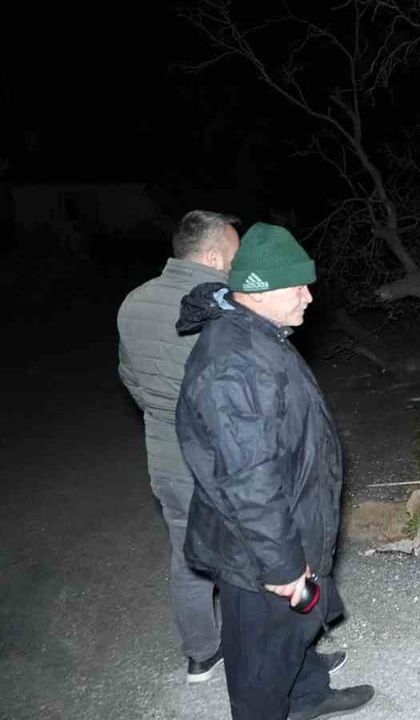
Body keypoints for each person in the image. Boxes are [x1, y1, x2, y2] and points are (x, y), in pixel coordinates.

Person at [175, 223, 373, 719]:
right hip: (256, 548)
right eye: (297, 287)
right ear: (258, 290)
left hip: (287, 527)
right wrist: (283, 566)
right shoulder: (236, 363)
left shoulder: (257, 332)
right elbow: (249, 480)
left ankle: (307, 696)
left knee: (297, 626)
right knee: (261, 663)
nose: (309, 297)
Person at [117, 210, 240, 682]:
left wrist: (162, 411)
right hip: (219, 455)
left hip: (166, 454)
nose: (234, 266)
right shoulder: (218, 304)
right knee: (251, 551)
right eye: (231, 255)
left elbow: (129, 376)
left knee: (187, 554)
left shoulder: (133, 302)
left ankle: (201, 655)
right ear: (210, 255)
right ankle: (260, 651)